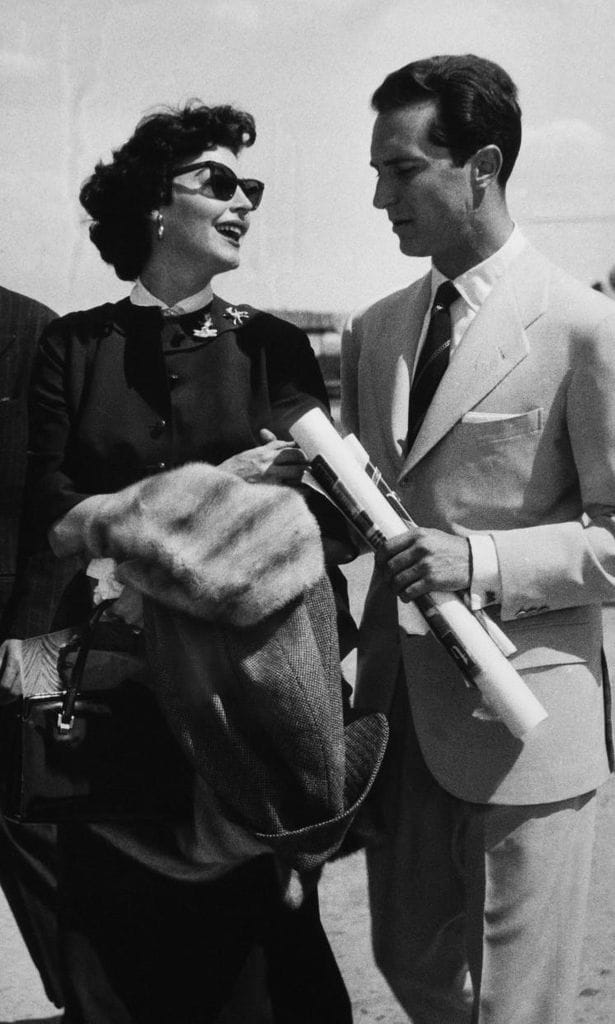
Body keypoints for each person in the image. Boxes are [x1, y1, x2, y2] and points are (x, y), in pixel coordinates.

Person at [3, 102, 353, 1024]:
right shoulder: (72, 347)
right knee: (118, 973)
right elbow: (48, 512)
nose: (245, 203)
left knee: (260, 973)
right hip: (111, 708)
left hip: (242, 707)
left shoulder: (274, 347)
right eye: (221, 182)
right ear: (156, 206)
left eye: (254, 189)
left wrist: (124, 525)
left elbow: (319, 524)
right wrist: (212, 494)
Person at [341, 54, 615, 1024]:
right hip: (397, 724)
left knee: (519, 1005)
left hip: (528, 724)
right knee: (408, 961)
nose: (380, 195)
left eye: (402, 169)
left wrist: (486, 561)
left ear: (482, 167)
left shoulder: (586, 327)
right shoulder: (374, 332)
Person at [0, 283, 64, 1011]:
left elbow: (56, 507)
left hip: (13, 652)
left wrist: (34, 642)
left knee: (40, 849)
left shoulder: (32, 332)